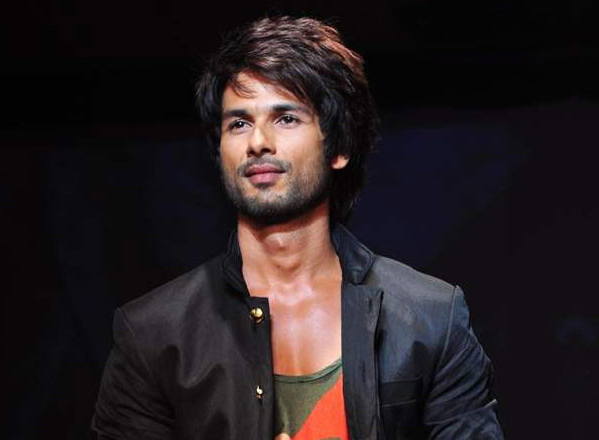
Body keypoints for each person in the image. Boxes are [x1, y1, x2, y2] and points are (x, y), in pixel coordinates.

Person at [91, 16, 504, 440]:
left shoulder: (429, 318)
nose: (257, 142)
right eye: (238, 123)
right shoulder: (153, 334)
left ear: (339, 147)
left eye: (286, 118)